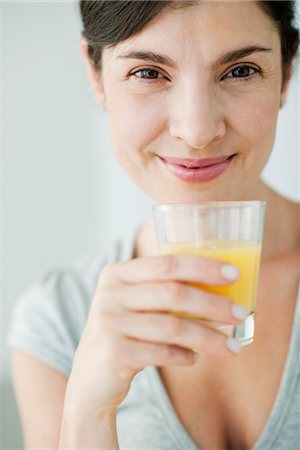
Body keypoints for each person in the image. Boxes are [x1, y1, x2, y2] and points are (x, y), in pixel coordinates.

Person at [8, 1, 300, 449]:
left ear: (285, 72)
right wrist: (87, 412)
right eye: (148, 73)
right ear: (96, 74)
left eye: (240, 71)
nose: (198, 130)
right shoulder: (59, 319)